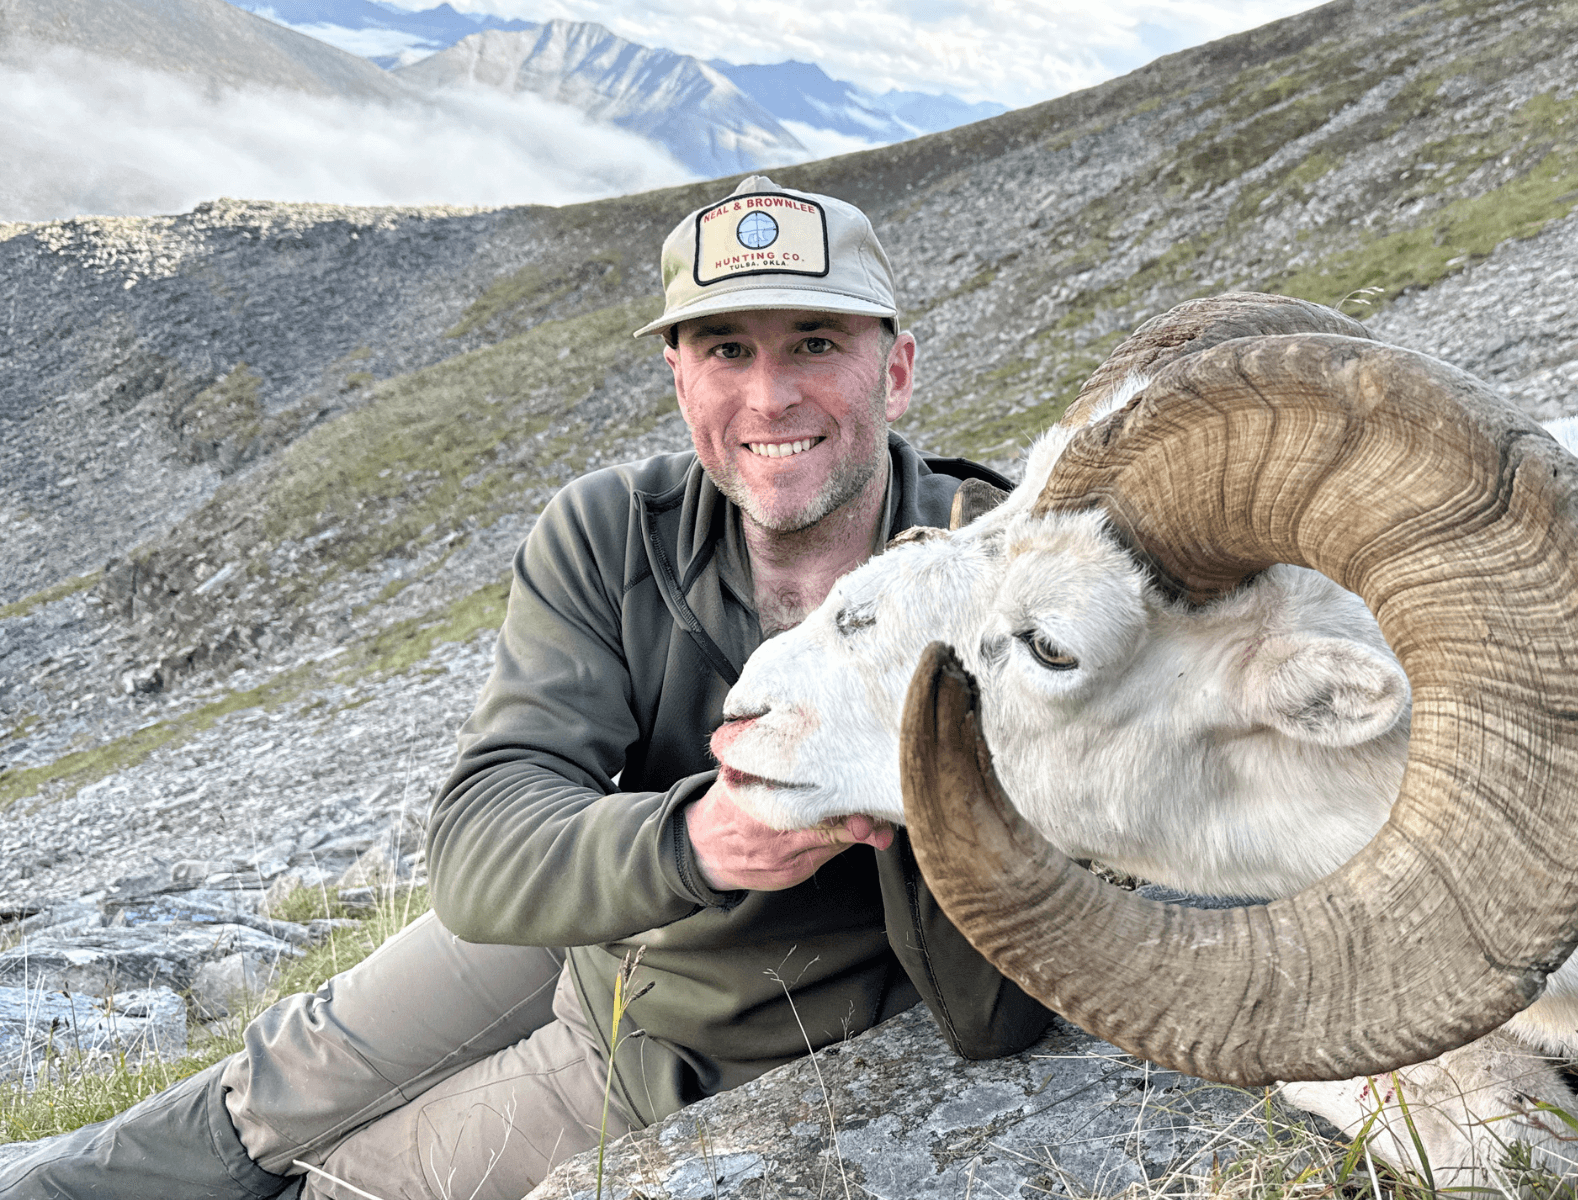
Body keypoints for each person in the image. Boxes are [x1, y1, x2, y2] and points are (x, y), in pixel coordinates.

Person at [3, 175, 1052, 1200]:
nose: (768, 395)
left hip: (671, 1046)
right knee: (277, 1085)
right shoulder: (611, 531)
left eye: (815, 344)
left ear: (897, 370)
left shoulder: (1002, 579)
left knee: (347, 1176)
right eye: (726, 349)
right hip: (581, 923)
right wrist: (700, 843)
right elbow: (481, 835)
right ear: (681, 384)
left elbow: (1004, 996)